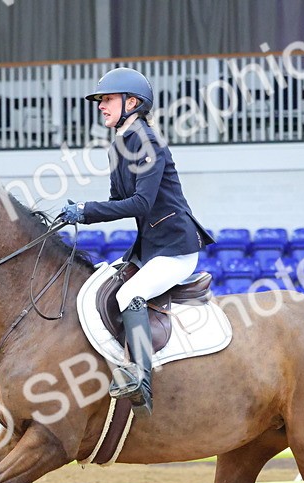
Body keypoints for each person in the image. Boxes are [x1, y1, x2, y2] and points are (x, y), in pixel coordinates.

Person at [60, 67, 215, 416]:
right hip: (150, 248)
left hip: (176, 247)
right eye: (100, 100)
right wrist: (79, 213)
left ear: (132, 102)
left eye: (107, 99)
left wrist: (84, 211)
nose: (101, 105)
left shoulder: (148, 142)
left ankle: (141, 379)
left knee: (129, 293)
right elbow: (118, 202)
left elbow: (142, 204)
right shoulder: (119, 146)